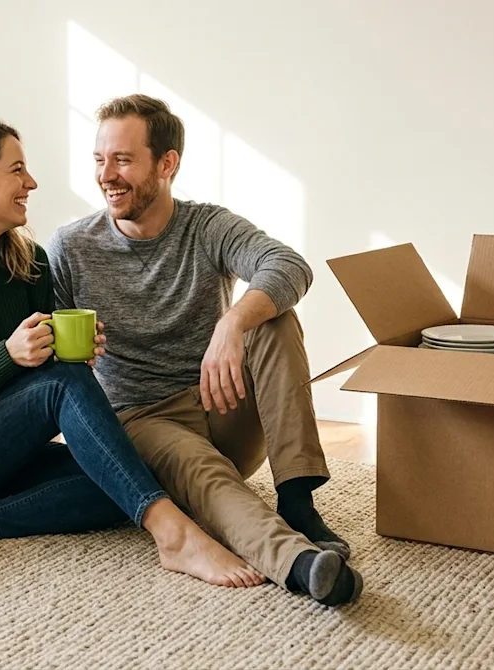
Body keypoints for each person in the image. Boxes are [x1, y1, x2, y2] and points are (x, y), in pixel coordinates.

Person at [0, 117, 263, 589]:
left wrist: (68, 355)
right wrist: (9, 355)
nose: (30, 183)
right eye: (16, 171)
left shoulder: (29, 262)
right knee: (98, 435)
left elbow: (40, 386)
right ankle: (172, 534)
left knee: (121, 481)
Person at [46, 95, 363, 606]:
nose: (107, 174)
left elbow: (289, 265)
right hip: (144, 419)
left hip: (221, 402)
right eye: (99, 159)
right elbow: (52, 364)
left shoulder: (207, 226)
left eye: (123, 160)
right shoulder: (71, 246)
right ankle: (302, 566)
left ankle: (297, 498)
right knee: (204, 474)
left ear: (167, 164)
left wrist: (233, 321)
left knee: (274, 320)